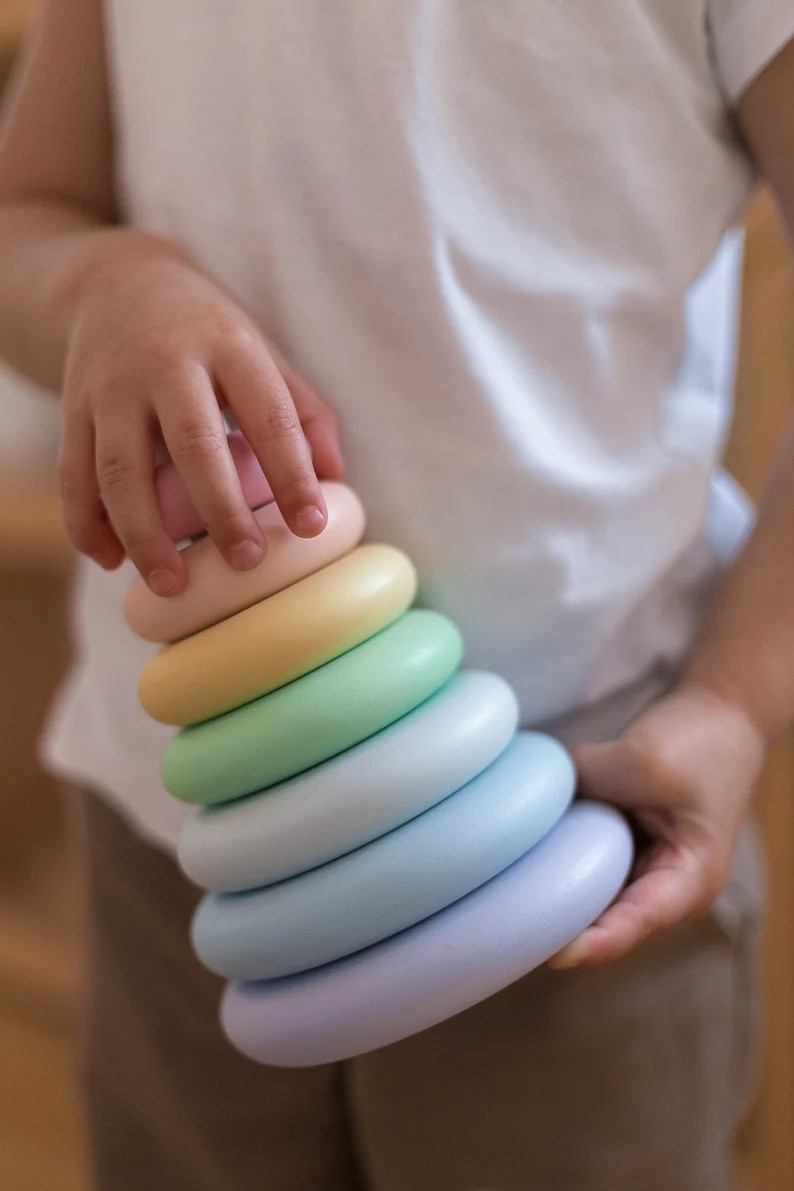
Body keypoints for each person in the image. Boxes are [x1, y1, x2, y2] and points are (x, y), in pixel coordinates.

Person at [1, 1, 793, 1187]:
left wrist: (731, 706)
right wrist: (108, 284)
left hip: (575, 835)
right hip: (184, 828)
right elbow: (27, 213)